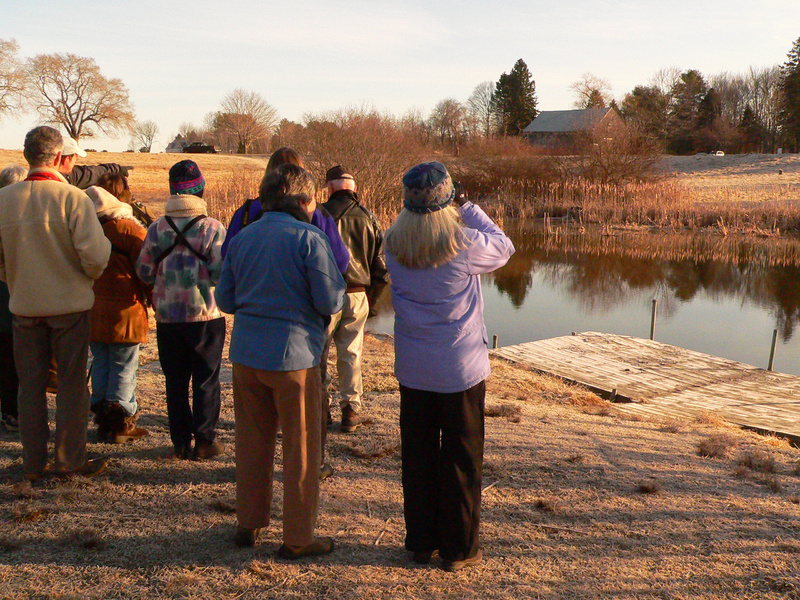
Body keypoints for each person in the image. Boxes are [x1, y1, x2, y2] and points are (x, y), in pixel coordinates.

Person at [384, 161, 514, 571]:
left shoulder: (393, 243)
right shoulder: (464, 241)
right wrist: (469, 204)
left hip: (413, 367)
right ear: (447, 198)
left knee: (418, 456)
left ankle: (421, 542)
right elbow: (504, 246)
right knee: (461, 456)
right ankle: (458, 549)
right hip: (460, 368)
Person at [216, 163, 345, 557]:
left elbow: (224, 300)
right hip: (295, 358)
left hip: (246, 356)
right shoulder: (309, 239)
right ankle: (298, 538)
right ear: (303, 200)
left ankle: (248, 521)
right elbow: (329, 300)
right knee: (300, 450)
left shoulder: (241, 238)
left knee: (251, 442)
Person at [0, 126, 111, 480]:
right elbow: (95, 257)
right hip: (69, 307)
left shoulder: (4, 199)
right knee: (72, 386)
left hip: (24, 308)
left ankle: (33, 464)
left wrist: (15, 280)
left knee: (29, 388)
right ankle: (69, 461)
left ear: (27, 155)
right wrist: (82, 277)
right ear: (59, 156)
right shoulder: (73, 199)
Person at [135, 160, 227, 460]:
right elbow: (220, 273)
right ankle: (204, 441)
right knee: (206, 379)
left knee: (174, 381)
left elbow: (144, 271)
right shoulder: (213, 228)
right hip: (205, 316)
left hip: (167, 317)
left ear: (172, 191)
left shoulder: (157, 228)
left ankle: (179, 442)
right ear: (200, 189)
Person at [320, 166, 389, 433]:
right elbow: (381, 269)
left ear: (329, 188)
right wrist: (371, 302)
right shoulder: (369, 218)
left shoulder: (319, 216)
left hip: (324, 294)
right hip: (358, 292)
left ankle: (321, 408)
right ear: (354, 189)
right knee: (351, 354)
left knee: (320, 353)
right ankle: (350, 410)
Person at [85, 185, 151, 444]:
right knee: (124, 366)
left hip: (94, 309)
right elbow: (147, 270)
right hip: (126, 311)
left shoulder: (86, 230)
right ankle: (120, 423)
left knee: (100, 362)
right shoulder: (129, 229)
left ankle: (102, 419)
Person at [0, 164, 27, 433]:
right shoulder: (17, 216)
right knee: (12, 359)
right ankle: (12, 412)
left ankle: (9, 410)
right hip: (12, 297)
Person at [57, 136, 131, 190]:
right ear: (66, 160)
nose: (76, 160)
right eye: (75, 157)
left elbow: (92, 173)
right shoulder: (60, 184)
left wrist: (116, 169)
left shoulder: (71, 175)